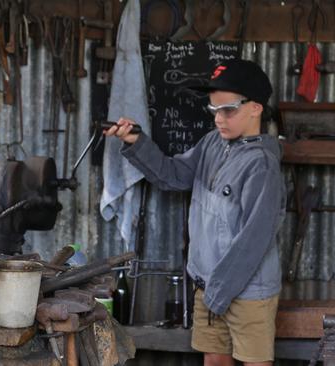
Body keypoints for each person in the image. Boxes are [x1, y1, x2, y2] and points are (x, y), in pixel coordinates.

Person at [104, 59, 286, 366]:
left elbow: (254, 240)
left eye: (228, 109)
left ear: (255, 108)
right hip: (209, 288)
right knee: (215, 361)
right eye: (214, 110)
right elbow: (172, 175)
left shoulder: (261, 164)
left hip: (248, 293)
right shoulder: (212, 144)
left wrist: (218, 292)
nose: (218, 119)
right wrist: (136, 141)